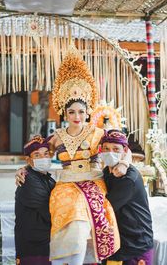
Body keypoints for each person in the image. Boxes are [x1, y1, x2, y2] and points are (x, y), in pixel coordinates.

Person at [16, 46, 127, 265]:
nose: (77, 116)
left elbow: (127, 150)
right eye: (72, 112)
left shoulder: (99, 134)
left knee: (80, 222)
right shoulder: (56, 137)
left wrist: (123, 163)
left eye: (81, 112)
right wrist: (23, 168)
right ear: (64, 113)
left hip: (93, 182)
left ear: (88, 113)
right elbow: (35, 155)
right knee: (67, 218)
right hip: (65, 185)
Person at [100, 129, 154, 265]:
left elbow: (107, 207)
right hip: (118, 242)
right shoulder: (107, 171)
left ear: (124, 151)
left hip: (135, 244)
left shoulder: (129, 178)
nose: (110, 152)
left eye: (115, 149)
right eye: (106, 148)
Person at [15, 135, 56, 265]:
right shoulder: (29, 180)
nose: (43, 158)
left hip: (45, 242)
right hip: (34, 246)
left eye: (46, 153)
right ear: (29, 160)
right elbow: (48, 211)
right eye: (37, 155)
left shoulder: (46, 178)